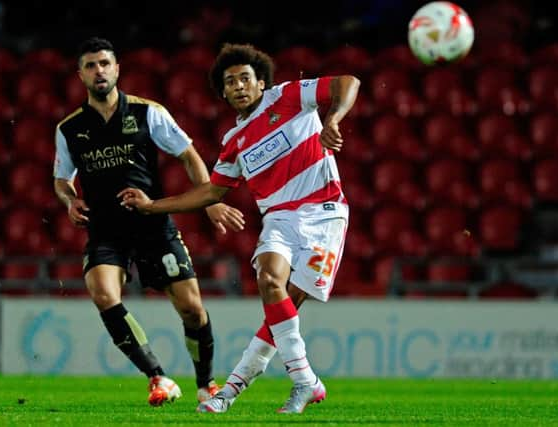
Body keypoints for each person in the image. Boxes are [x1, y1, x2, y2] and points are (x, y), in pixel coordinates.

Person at [118, 43, 360, 414]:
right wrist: (152, 206)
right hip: (279, 218)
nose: (238, 86)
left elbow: (348, 81)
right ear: (224, 93)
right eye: (230, 82)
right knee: (268, 279)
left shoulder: (289, 97)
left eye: (245, 78)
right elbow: (212, 192)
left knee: (283, 310)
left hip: (323, 213)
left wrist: (334, 119)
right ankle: (303, 381)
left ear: (261, 83)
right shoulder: (233, 143)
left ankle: (235, 389)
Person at [53, 37, 245, 407]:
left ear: (117, 68)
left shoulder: (147, 112)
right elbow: (62, 179)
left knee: (191, 308)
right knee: (103, 293)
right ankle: (157, 376)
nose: (99, 71)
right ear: (80, 74)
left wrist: (208, 200)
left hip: (152, 224)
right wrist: (69, 199)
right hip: (105, 228)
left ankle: (206, 385)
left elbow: (188, 155)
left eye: (105, 63)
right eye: (91, 65)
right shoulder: (69, 128)